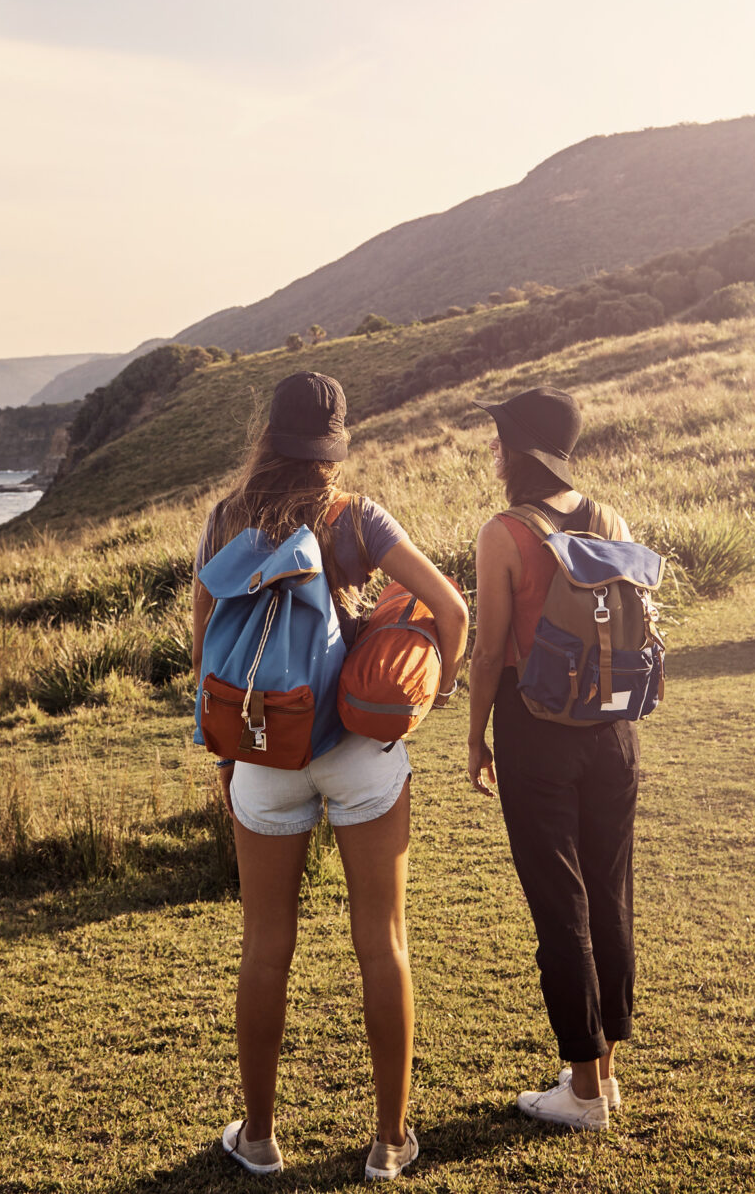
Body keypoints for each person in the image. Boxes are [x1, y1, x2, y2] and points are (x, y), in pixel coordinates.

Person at [191, 371, 469, 1180]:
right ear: (334, 444)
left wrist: (224, 757)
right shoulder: (356, 518)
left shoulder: (223, 520)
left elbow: (205, 648)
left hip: (260, 749)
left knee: (265, 945)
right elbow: (451, 611)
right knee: (382, 941)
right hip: (358, 749)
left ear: (268, 435)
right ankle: (388, 1141)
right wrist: (434, 690)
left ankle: (260, 1136)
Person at [466, 386, 636, 1131]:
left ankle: (582, 1091)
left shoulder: (504, 532)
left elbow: (490, 651)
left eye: (498, 439)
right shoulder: (611, 518)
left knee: (558, 904)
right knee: (608, 892)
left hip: (535, 732)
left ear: (522, 450)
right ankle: (604, 1073)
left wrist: (474, 737)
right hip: (613, 733)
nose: (491, 452)